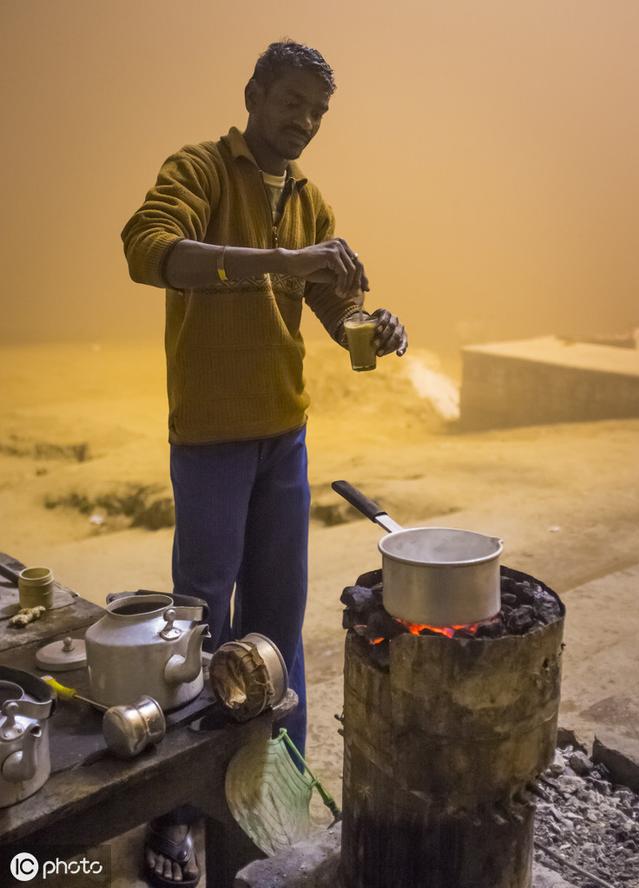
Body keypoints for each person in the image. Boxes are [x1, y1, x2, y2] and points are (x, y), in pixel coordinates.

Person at [121, 39, 407, 888]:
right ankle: (176, 815)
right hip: (209, 437)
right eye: (291, 101)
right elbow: (149, 252)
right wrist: (284, 262)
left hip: (285, 436)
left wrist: (373, 322)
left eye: (318, 111)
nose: (305, 122)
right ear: (252, 93)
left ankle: (275, 798)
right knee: (198, 629)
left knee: (278, 626)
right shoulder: (203, 169)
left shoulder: (312, 200)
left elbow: (332, 310)